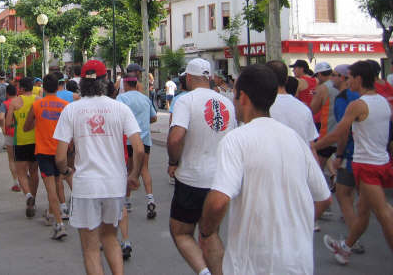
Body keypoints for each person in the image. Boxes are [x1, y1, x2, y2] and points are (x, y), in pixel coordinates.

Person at [199, 64, 331, 274]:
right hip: (298, 263)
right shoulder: (295, 138)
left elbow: (218, 201)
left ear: (243, 97)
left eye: (234, 96)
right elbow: (323, 198)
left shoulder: (237, 140)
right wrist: (296, 227)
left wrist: (206, 231)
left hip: (253, 264)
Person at [54, 59, 144, 275]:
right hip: (114, 185)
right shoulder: (120, 108)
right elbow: (139, 150)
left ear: (82, 82)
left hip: (86, 186)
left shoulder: (72, 110)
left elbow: (59, 157)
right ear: (106, 80)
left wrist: (66, 171)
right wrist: (134, 175)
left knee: (91, 248)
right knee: (111, 237)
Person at [313, 61, 393, 264]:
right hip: (380, 163)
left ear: (358, 79)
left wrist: (315, 145)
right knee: (364, 211)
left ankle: (346, 247)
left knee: (383, 214)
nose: (346, 81)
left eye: (348, 77)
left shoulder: (357, 105)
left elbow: (340, 132)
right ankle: (346, 247)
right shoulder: (383, 101)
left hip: (366, 166)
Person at [167, 58, 237, 275]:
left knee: (181, 232)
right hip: (220, 180)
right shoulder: (227, 102)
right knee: (210, 232)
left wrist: (173, 161)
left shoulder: (185, 101)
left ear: (188, 77)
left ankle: (204, 272)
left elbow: (176, 138)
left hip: (192, 177)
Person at [24, 74, 69, 239]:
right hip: (60, 151)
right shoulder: (66, 106)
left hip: (43, 151)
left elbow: (26, 127)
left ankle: (59, 224)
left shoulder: (37, 105)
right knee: (58, 185)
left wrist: (39, 122)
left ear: (43, 88)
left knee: (51, 188)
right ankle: (52, 214)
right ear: (58, 87)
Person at [330, 64, 366, 254]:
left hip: (352, 154)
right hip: (364, 155)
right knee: (357, 198)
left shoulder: (343, 99)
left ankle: (353, 240)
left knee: (343, 194)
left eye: (335, 75)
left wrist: (340, 155)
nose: (331, 78)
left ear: (345, 78)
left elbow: (344, 131)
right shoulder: (363, 98)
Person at [117, 72, 158, 217]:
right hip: (144, 139)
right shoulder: (145, 98)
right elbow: (154, 117)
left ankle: (127, 201)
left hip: (128, 139)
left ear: (126, 84)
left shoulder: (121, 98)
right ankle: (150, 199)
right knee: (144, 169)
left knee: (128, 170)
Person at [5, 77, 39, 217]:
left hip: (20, 141)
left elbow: (7, 123)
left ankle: (28, 196)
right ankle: (34, 200)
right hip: (36, 140)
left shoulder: (15, 102)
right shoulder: (38, 100)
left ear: (22, 88)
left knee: (21, 173)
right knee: (34, 172)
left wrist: (16, 123)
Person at [267, 61, 319, 146]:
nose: (294, 70)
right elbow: (311, 146)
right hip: (310, 115)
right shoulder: (316, 81)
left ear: (301, 69)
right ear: (286, 79)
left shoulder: (300, 81)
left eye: (295, 68)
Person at [310, 61, 340, 182]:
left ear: (320, 74)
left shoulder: (323, 88)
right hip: (343, 131)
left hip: (328, 131)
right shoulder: (343, 85)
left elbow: (313, 109)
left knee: (318, 164)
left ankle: (319, 188)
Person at [0, 83, 20, 191]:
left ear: (7, 93)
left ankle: (16, 182)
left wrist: (3, 128)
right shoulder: (21, 101)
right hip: (21, 133)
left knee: (11, 159)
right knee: (21, 158)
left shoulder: (5, 104)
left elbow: (1, 117)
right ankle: (25, 177)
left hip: (10, 132)